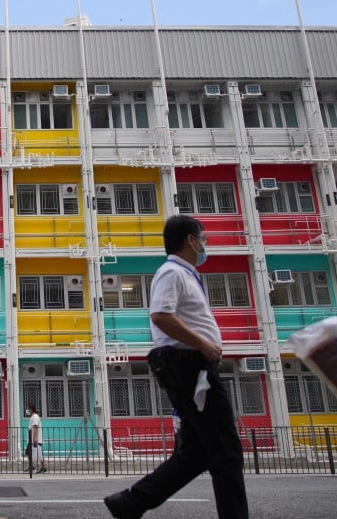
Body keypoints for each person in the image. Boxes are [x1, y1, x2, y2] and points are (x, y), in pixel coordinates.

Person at [104, 215, 248, 519]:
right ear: (190, 241)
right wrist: (204, 344)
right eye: (203, 238)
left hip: (192, 365)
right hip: (191, 367)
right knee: (226, 451)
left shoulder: (186, 274)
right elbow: (161, 315)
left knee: (197, 452)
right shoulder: (172, 272)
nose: (205, 244)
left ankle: (130, 502)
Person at [25, 403, 47, 473]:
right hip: (32, 439)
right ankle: (42, 467)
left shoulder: (35, 417)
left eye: (28, 409)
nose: (27, 410)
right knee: (36, 454)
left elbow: (35, 428)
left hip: (34, 440)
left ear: (31, 409)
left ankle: (33, 467)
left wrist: (35, 438)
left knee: (34, 453)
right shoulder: (33, 417)